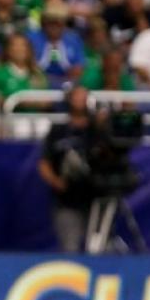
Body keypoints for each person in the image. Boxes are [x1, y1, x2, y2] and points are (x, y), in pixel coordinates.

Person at [38, 86, 99, 253]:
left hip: (95, 198)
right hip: (66, 200)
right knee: (70, 248)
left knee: (99, 249)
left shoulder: (97, 130)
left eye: (83, 97)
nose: (80, 101)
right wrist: (56, 182)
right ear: (69, 100)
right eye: (76, 97)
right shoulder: (58, 131)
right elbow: (44, 163)